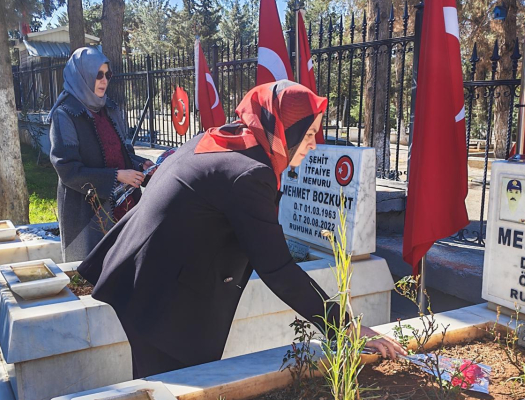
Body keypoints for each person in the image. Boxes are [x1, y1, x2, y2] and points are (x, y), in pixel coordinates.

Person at [78, 81, 405, 378]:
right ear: (285, 130)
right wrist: (345, 327)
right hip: (161, 299)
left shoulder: (223, 140)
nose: (312, 146)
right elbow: (277, 269)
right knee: (171, 396)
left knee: (164, 390)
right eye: (307, 135)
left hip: (146, 278)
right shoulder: (249, 173)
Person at [48, 47, 153, 262]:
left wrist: (141, 165)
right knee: (95, 270)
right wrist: (116, 176)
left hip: (124, 206)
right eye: (98, 74)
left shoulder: (110, 109)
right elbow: (68, 170)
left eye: (107, 74)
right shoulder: (65, 114)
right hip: (87, 214)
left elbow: (123, 153)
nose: (104, 80)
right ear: (82, 75)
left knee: (127, 266)